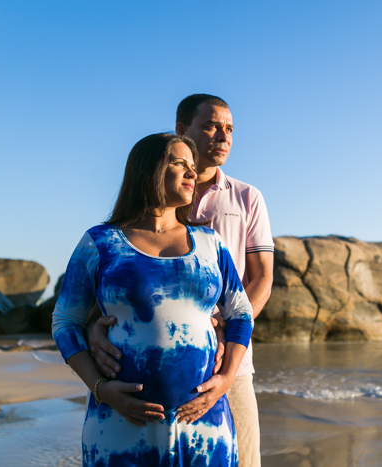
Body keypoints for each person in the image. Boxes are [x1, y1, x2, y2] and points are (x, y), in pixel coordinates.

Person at [87, 94, 273, 467]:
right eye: (211, 125)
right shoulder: (150, 208)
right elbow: (114, 285)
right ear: (181, 129)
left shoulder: (247, 198)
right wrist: (93, 328)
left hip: (228, 365)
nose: (223, 136)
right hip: (141, 372)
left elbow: (262, 278)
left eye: (230, 129)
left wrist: (224, 331)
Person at [52, 133, 253, 466]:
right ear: (148, 170)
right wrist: (102, 389)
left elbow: (240, 313)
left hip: (205, 423)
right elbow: (66, 321)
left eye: (193, 166)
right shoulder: (102, 242)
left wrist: (227, 378)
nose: (192, 173)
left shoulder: (210, 243)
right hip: (120, 424)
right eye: (179, 164)